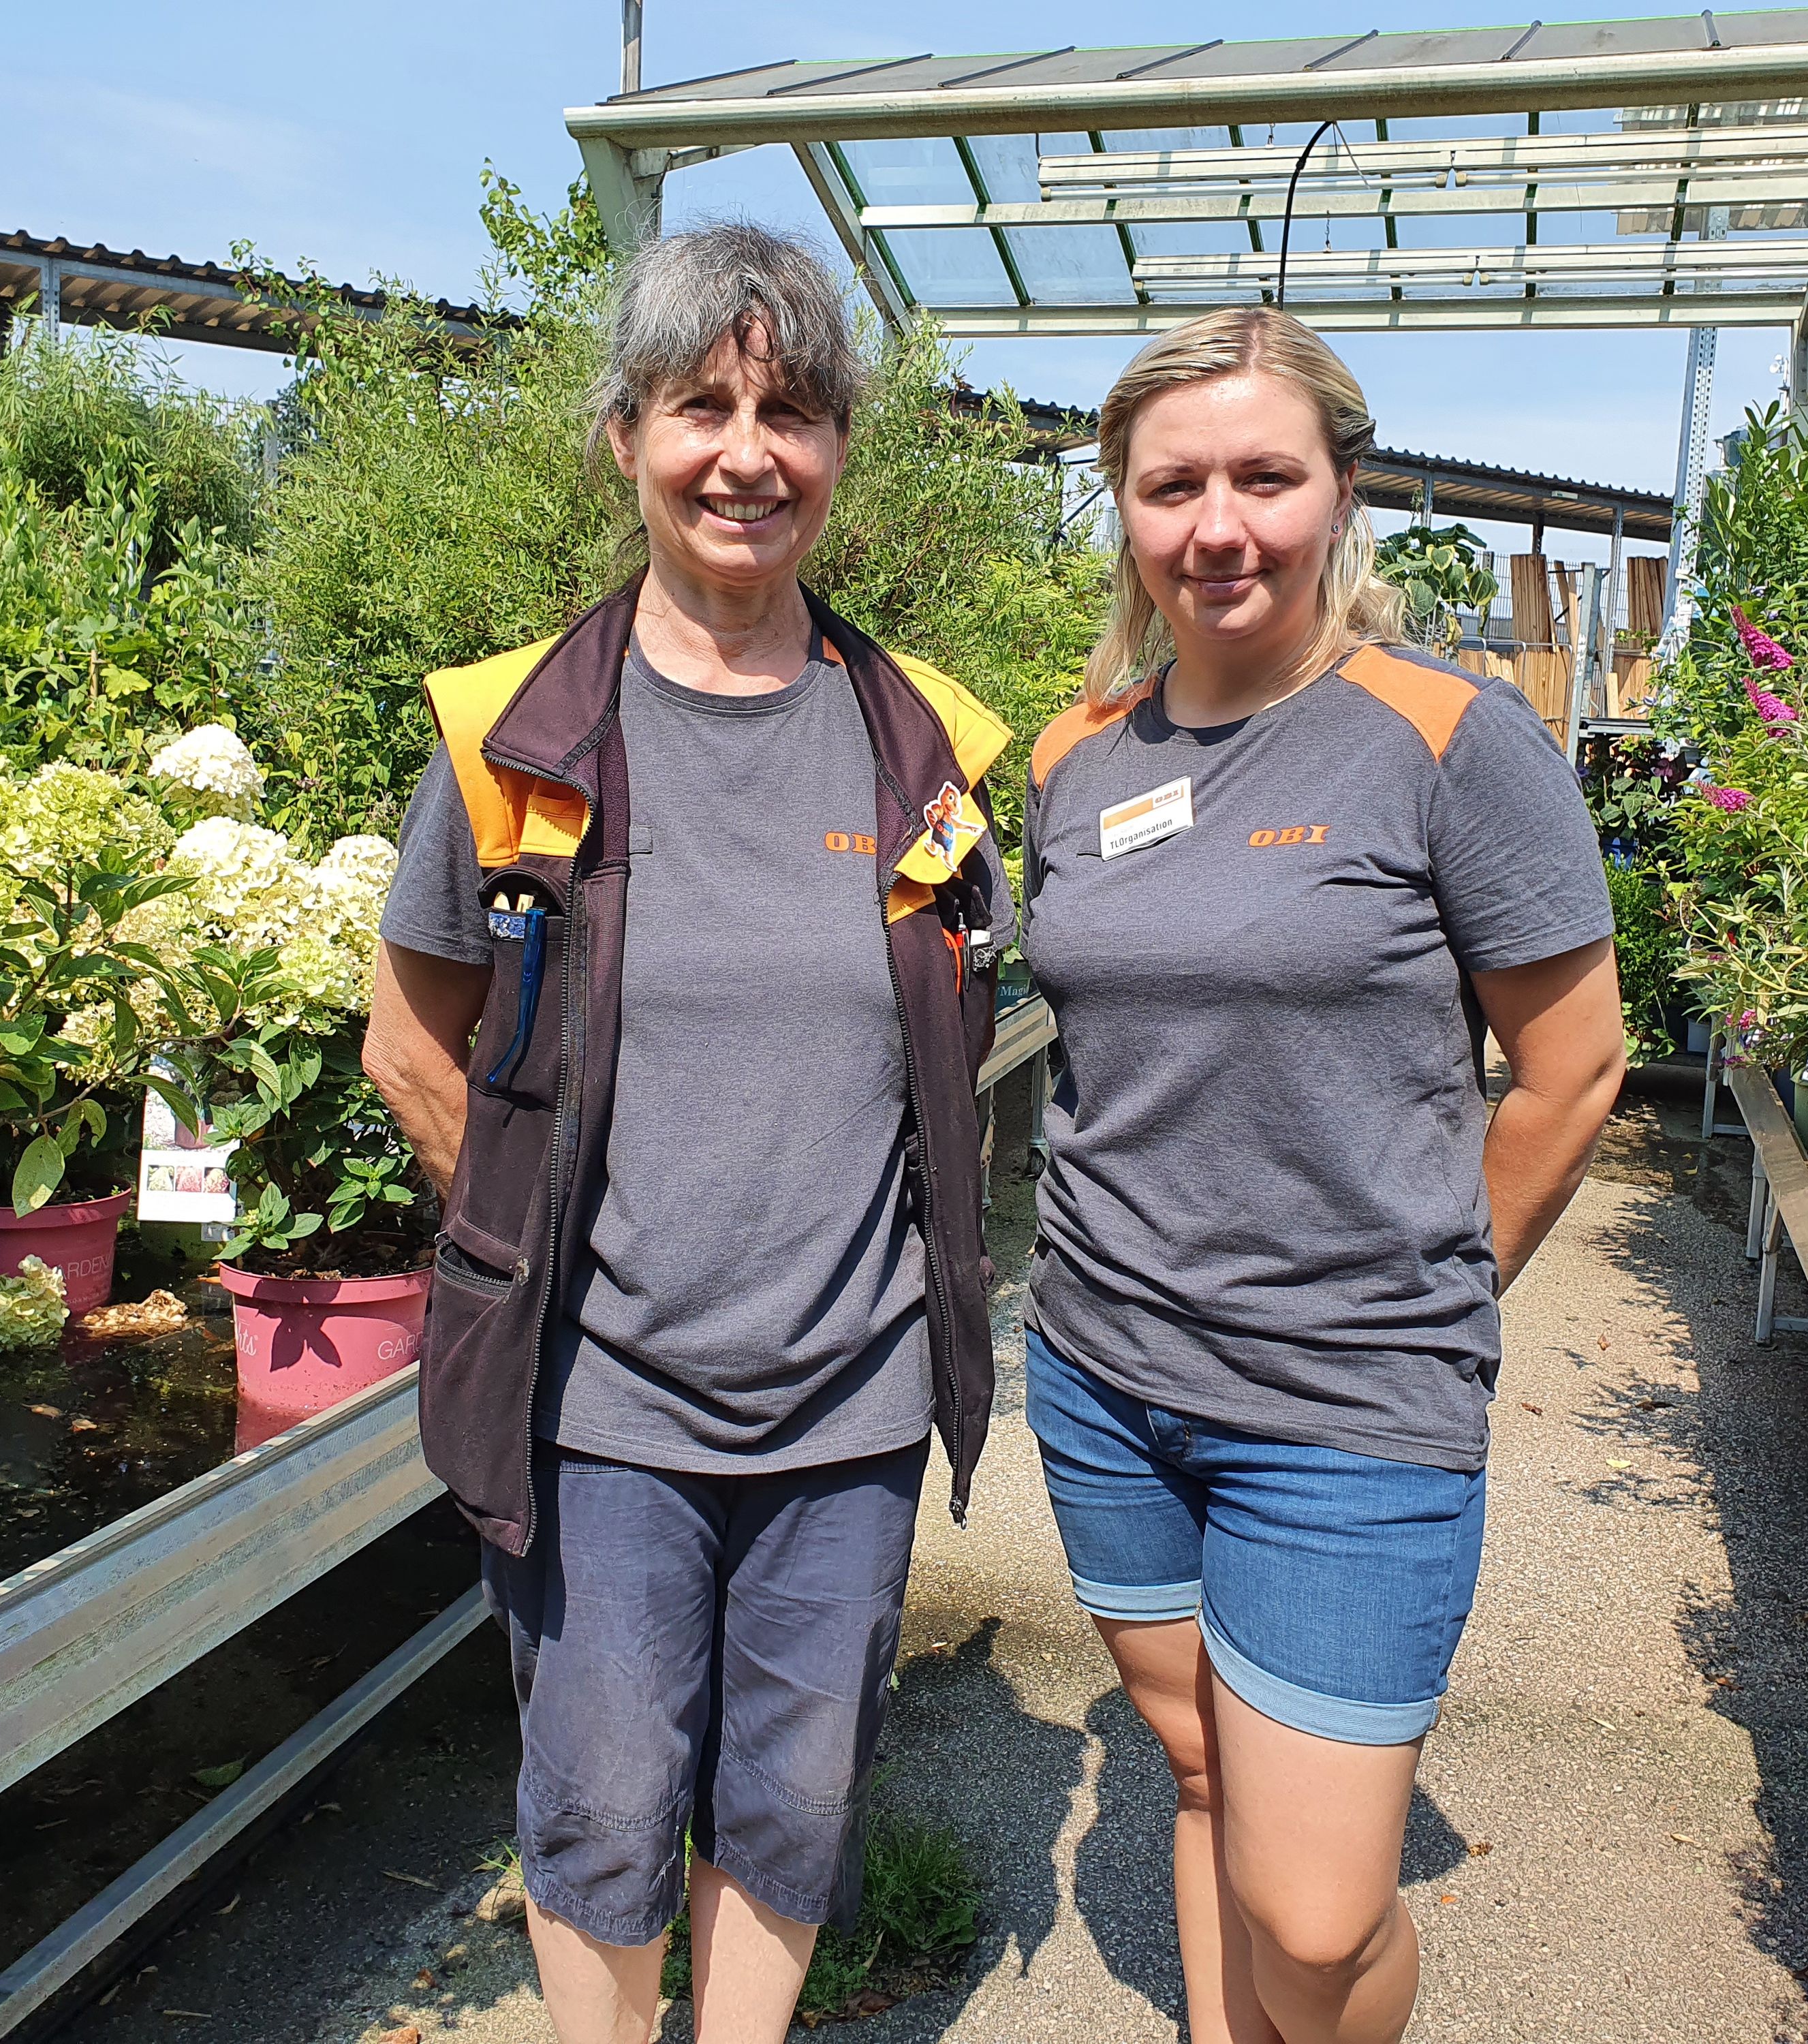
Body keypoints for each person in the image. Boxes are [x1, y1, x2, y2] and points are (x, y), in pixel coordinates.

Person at [360, 221, 1010, 2044]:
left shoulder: (927, 751)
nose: (748, 452)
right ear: (626, 434)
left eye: (793, 409)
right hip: (597, 1404)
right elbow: (412, 1038)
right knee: (602, 1802)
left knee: (795, 1800)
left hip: (851, 1399)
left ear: (840, 449)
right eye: (702, 405)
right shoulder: (516, 735)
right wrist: (534, 1236)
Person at [1018, 307, 1625, 2044]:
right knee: (1203, 1770)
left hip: (1342, 1402)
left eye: (1262, 477)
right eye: (1172, 484)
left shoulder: (1444, 737)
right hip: (1102, 1378)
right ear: (1124, 511)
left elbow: (1571, 1068)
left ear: (1336, 489)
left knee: (1318, 1900)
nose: (1218, 525)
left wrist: (1421, 1294)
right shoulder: (1079, 756)